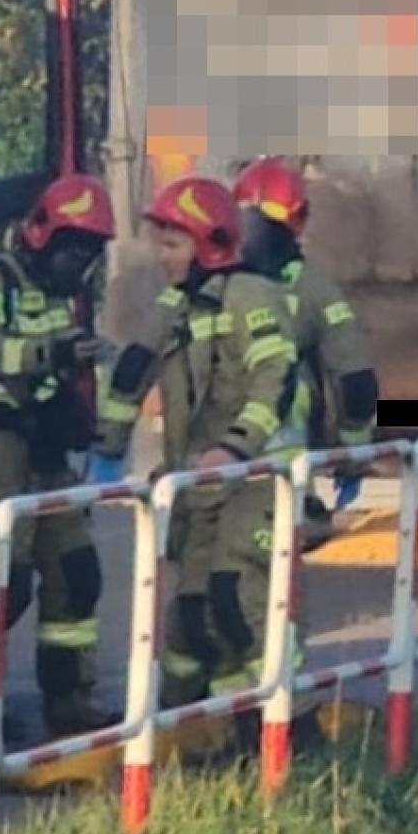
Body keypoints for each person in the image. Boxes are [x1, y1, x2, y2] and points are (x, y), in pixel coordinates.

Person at [96, 176, 299, 719]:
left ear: (209, 243)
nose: (162, 258)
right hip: (196, 487)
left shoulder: (252, 297)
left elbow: (275, 375)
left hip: (251, 482)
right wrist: (106, 445)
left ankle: (279, 724)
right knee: (190, 617)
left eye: (172, 244)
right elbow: (136, 363)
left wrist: (235, 449)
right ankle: (189, 726)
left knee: (237, 605)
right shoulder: (175, 302)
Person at [0, 173, 117, 740]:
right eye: (74, 250)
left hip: (44, 447)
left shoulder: (55, 293)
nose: (80, 265)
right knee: (2, 583)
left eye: (89, 255)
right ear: (43, 233)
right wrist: (53, 353)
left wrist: (70, 411)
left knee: (77, 573)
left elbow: (50, 369)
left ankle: (70, 702)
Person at [232, 157, 377, 519]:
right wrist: (353, 456)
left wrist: (111, 445)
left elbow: (141, 355)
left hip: (204, 474)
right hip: (281, 482)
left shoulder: (207, 281)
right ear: (298, 217)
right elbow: (356, 379)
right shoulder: (314, 288)